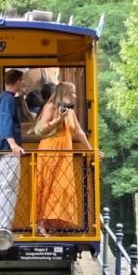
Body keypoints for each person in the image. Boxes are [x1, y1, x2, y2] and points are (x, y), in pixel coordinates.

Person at [34, 81, 93, 234]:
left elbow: (79, 132)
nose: (76, 96)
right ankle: (40, 223)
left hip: (64, 152)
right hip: (50, 150)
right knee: (47, 183)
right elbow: (41, 129)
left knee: (61, 186)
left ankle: (53, 223)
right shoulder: (51, 107)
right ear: (64, 93)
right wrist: (59, 119)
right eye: (73, 92)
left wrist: (91, 150)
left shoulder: (70, 111)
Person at [0, 69, 25, 235]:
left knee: (6, 188)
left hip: (3, 151)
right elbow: (5, 121)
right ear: (17, 81)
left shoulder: (3, 98)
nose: (22, 84)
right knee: (8, 188)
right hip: (7, 151)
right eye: (21, 81)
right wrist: (12, 143)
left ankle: (2, 227)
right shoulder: (8, 99)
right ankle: (2, 228)